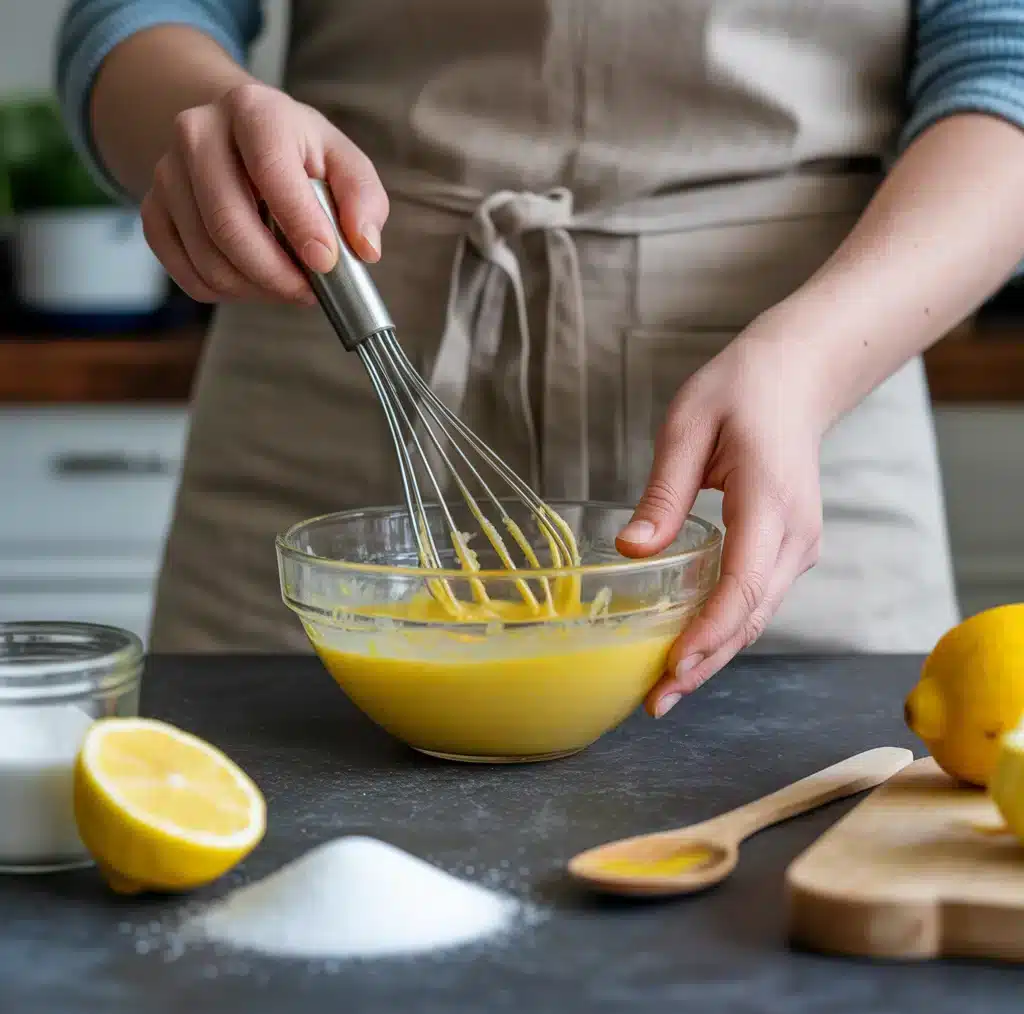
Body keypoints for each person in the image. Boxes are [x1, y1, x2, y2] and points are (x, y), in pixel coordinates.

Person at [58, 1, 1024, 716]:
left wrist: (808, 363)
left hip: (805, 398)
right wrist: (214, 122)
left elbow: (1003, 69)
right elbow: (135, 14)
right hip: (336, 367)